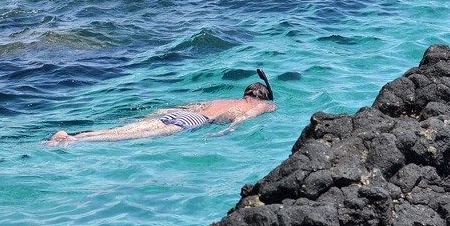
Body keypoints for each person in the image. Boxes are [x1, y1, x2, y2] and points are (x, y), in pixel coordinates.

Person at [47, 69, 278, 146]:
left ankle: (74, 135)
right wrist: (226, 131)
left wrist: (158, 113)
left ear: (245, 92)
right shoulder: (262, 105)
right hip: (194, 122)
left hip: (180, 113)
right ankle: (74, 141)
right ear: (262, 96)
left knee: (123, 130)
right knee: (129, 138)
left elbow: (190, 105)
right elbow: (245, 117)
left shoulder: (221, 101)